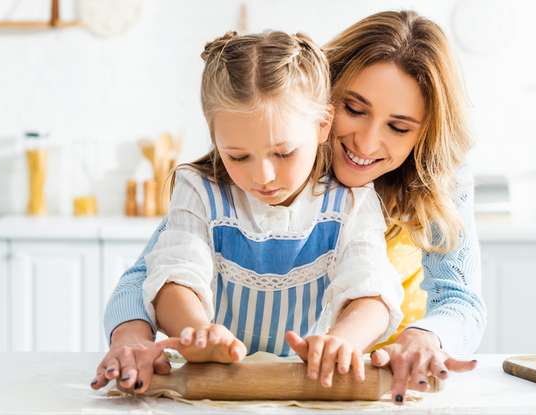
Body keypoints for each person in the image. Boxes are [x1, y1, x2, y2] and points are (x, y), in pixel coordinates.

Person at [94, 10, 485, 405]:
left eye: (398, 127)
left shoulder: (434, 179)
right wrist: (133, 338)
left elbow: (459, 300)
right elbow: (156, 270)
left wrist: (424, 336)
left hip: (371, 371)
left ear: (425, 133)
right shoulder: (263, 145)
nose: (365, 144)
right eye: (354, 108)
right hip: (236, 375)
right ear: (322, 107)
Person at [143, 30, 404, 389]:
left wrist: (343, 341)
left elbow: (371, 288)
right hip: (217, 385)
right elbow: (176, 275)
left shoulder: (350, 202)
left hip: (307, 381)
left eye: (283, 153)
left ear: (323, 126)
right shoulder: (199, 190)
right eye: (237, 156)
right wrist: (198, 333)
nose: (262, 175)